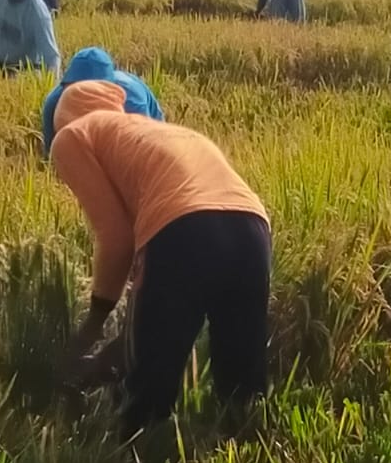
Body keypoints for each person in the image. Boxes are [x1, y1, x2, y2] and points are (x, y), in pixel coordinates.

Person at [51, 80, 271, 439]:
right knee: (242, 388)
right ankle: (250, 460)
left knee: (145, 400)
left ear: (63, 118)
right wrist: (129, 338)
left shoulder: (73, 134)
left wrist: (92, 325)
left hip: (183, 228)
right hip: (252, 228)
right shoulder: (161, 133)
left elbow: (117, 237)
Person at [40, 46, 165, 155]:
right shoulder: (54, 102)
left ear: (107, 90)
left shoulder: (131, 100)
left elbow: (143, 149)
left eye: (90, 94)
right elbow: (52, 154)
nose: (81, 99)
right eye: (75, 92)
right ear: (66, 86)